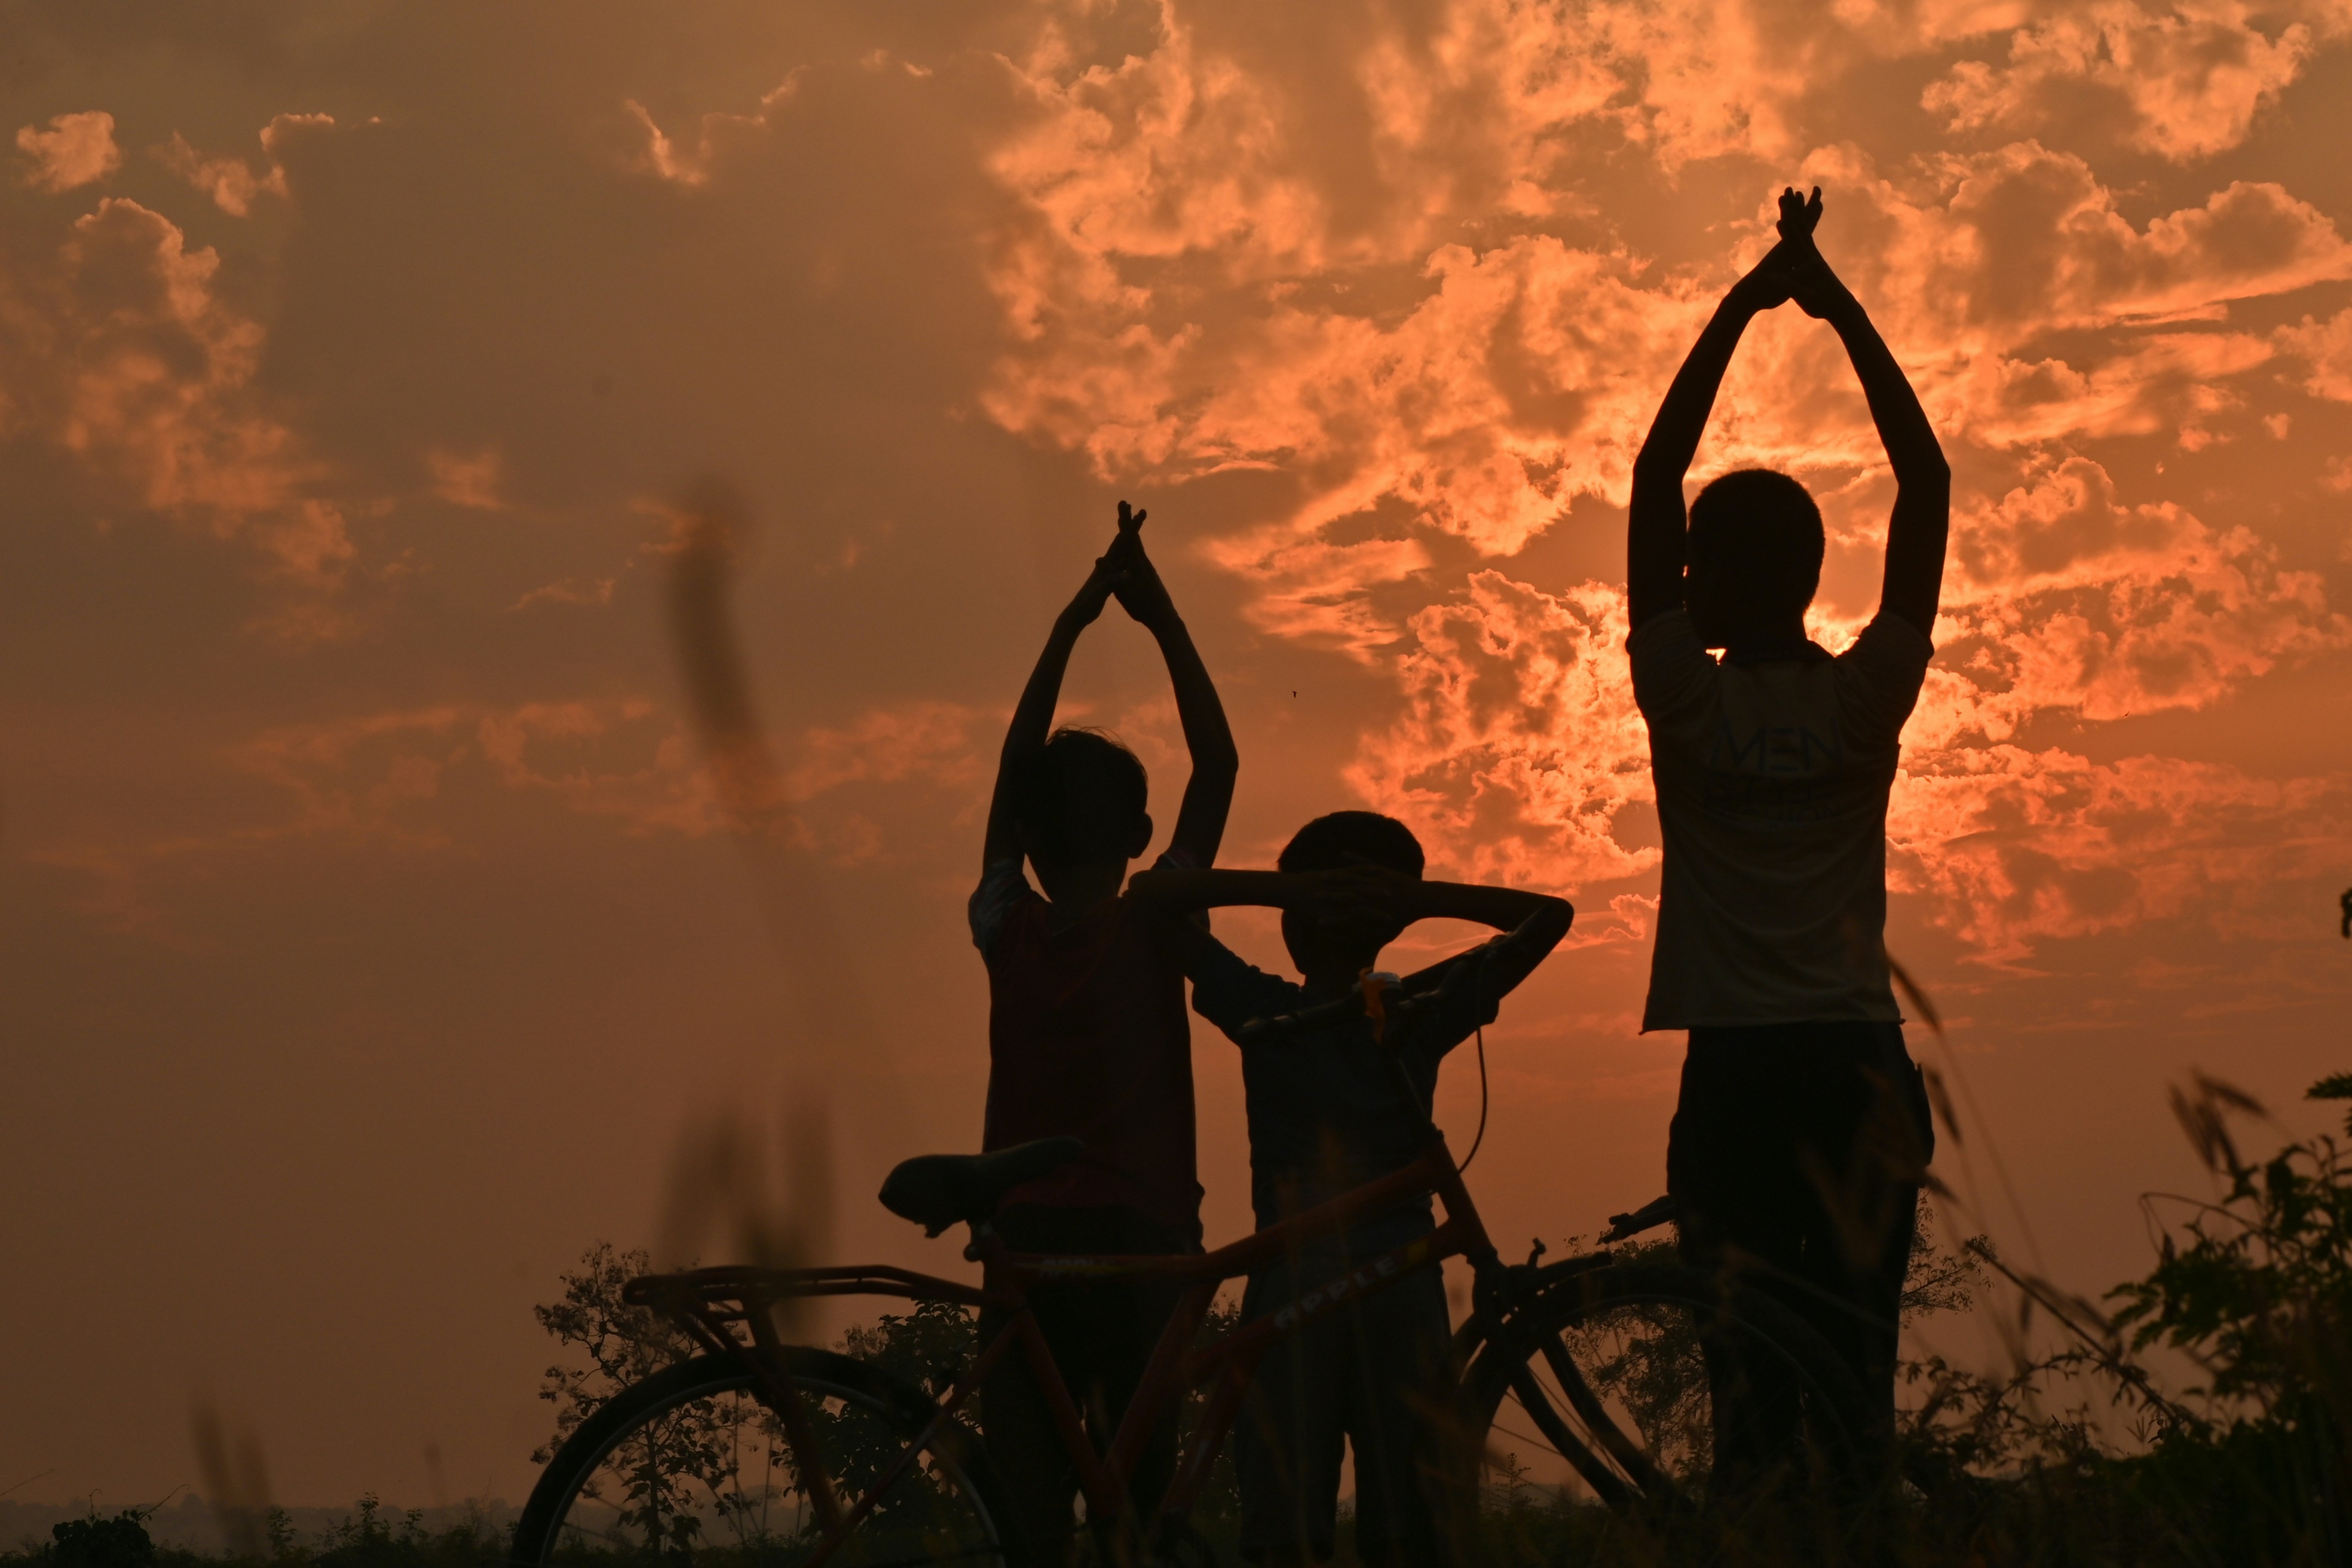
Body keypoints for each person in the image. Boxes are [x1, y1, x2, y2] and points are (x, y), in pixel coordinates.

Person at [1624, 186, 1945, 1496]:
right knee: (1854, 1396)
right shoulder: (1863, 701)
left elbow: (1651, 473)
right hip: (1860, 1066)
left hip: (1742, 1079)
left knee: (1747, 1394)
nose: (1681, 571)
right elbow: (1926, 480)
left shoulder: (1683, 700)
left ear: (1715, 578)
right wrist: (1832, 304)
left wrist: (1744, 306)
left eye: (1696, 556)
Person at [1131, 813, 1573, 1566]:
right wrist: (1413, 896)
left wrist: (1292, 890)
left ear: (1293, 929)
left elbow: (1149, 899)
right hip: (1402, 1280)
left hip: (1290, 1285)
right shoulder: (1418, 1007)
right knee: (1405, 1535)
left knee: (1284, 1540)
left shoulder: (1262, 1007)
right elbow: (1549, 916)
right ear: (1390, 928)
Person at [971, 502, 1239, 1567]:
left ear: (1028, 840)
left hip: (1025, 1245)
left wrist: (1076, 619)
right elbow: (1215, 763)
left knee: (1031, 1521)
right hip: (1140, 1242)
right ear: (1138, 835)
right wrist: (1156, 608)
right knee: (1135, 1513)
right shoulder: (1157, 919)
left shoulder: (1007, 926)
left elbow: (1010, 767)